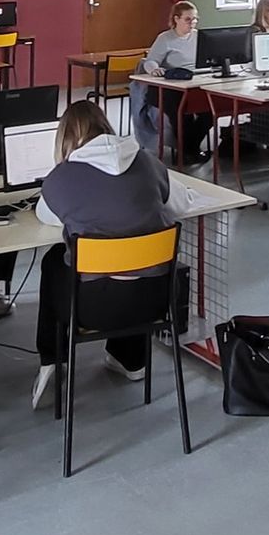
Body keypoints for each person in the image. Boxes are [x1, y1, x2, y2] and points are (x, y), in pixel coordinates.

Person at [29, 100, 196, 409]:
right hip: (157, 301)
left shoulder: (60, 178)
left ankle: (53, 359)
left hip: (91, 308)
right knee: (136, 265)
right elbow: (181, 204)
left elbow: (47, 216)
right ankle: (131, 360)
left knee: (54, 260)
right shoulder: (147, 162)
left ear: (65, 138)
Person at [133, 1, 210, 162]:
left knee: (210, 111)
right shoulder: (165, 38)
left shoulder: (199, 37)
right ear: (176, 19)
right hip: (169, 87)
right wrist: (154, 69)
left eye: (195, 19)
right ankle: (188, 152)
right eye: (188, 19)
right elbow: (150, 61)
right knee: (181, 113)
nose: (193, 23)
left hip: (194, 82)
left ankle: (189, 149)